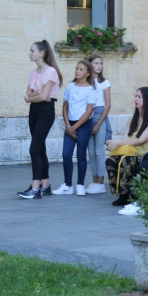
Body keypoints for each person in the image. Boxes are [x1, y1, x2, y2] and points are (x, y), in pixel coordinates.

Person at [17, 40, 63, 199]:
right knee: (40, 147)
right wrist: (36, 95)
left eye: (32, 50)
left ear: (41, 53)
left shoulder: (50, 72)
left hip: (45, 112)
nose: (29, 53)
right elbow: (27, 96)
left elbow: (43, 96)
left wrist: (34, 95)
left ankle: (35, 188)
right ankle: (45, 185)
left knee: (34, 148)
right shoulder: (33, 72)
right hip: (34, 111)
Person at [105, 87, 148, 207]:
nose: (136, 99)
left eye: (140, 97)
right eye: (136, 96)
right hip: (131, 153)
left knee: (127, 160)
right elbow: (126, 139)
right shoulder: (132, 119)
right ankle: (121, 193)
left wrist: (118, 143)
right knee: (110, 160)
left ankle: (128, 194)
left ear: (147, 100)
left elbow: (142, 140)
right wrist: (113, 142)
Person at [52, 61, 96, 196]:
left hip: (83, 124)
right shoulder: (70, 86)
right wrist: (68, 126)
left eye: (81, 69)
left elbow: (89, 111)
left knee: (81, 155)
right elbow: (65, 107)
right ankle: (67, 185)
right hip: (70, 124)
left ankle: (80, 184)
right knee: (66, 154)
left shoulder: (91, 89)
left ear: (88, 73)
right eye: (76, 69)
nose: (77, 71)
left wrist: (75, 127)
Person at [85, 54, 112, 195]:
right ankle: (95, 181)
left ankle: (101, 183)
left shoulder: (104, 82)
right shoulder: (86, 83)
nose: (99, 66)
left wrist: (98, 123)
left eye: (101, 63)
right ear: (89, 65)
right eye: (96, 63)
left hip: (99, 115)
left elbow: (108, 105)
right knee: (91, 152)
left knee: (99, 151)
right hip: (87, 116)